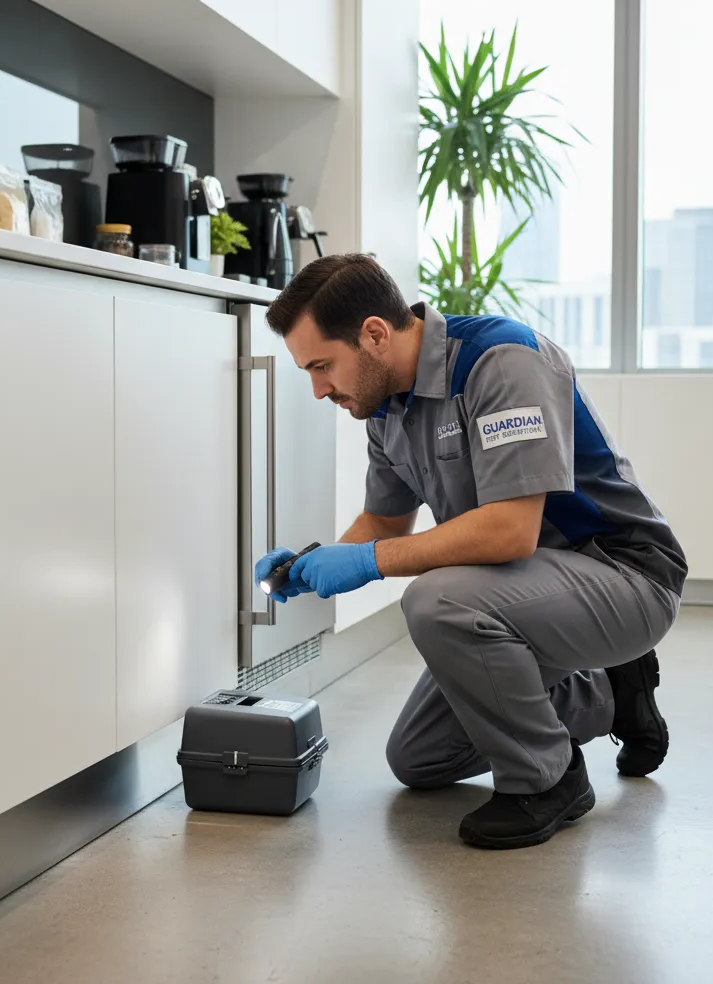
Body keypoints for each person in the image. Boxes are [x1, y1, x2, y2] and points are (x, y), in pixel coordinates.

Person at [254, 254, 687, 850]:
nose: (319, 388)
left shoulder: (499, 362)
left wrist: (369, 562)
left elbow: (511, 532)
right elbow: (384, 519)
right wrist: (317, 562)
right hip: (525, 594)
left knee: (435, 600)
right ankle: (609, 695)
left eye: (323, 366)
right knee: (420, 758)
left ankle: (550, 778)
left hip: (623, 574)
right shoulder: (385, 408)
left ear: (374, 334)